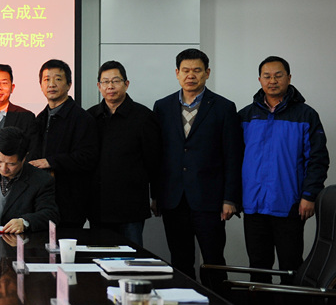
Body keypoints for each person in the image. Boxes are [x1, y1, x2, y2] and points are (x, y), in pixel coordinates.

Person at [153, 49, 243, 289]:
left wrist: (230, 198)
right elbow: (158, 155)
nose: (190, 75)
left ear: (207, 73)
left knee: (213, 262)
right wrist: (156, 195)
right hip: (174, 199)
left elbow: (233, 156)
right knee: (180, 260)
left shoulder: (224, 107)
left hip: (210, 200)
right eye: (185, 70)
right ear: (177, 73)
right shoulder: (162, 107)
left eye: (196, 70)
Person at [240, 56, 329, 283]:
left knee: (290, 267)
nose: (273, 81)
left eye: (278, 76)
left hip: (289, 205)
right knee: (258, 267)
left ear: (289, 78)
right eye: (267, 76)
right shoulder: (245, 116)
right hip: (254, 205)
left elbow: (318, 159)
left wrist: (309, 195)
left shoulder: (306, 115)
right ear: (259, 80)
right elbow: (233, 159)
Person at [86, 60, 161, 246]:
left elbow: (154, 161)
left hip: (131, 207)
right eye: (105, 82)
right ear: (99, 86)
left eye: (115, 81)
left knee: (131, 258)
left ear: (126, 84)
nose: (110, 86)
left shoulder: (144, 117)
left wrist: (156, 196)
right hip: (98, 206)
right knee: (100, 257)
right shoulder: (90, 117)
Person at [30, 59, 98, 228]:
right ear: (40, 85)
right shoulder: (39, 119)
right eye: (46, 79)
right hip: (41, 202)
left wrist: (51, 162)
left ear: (69, 85)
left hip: (70, 202)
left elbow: (87, 158)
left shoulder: (82, 118)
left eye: (58, 79)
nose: (51, 84)